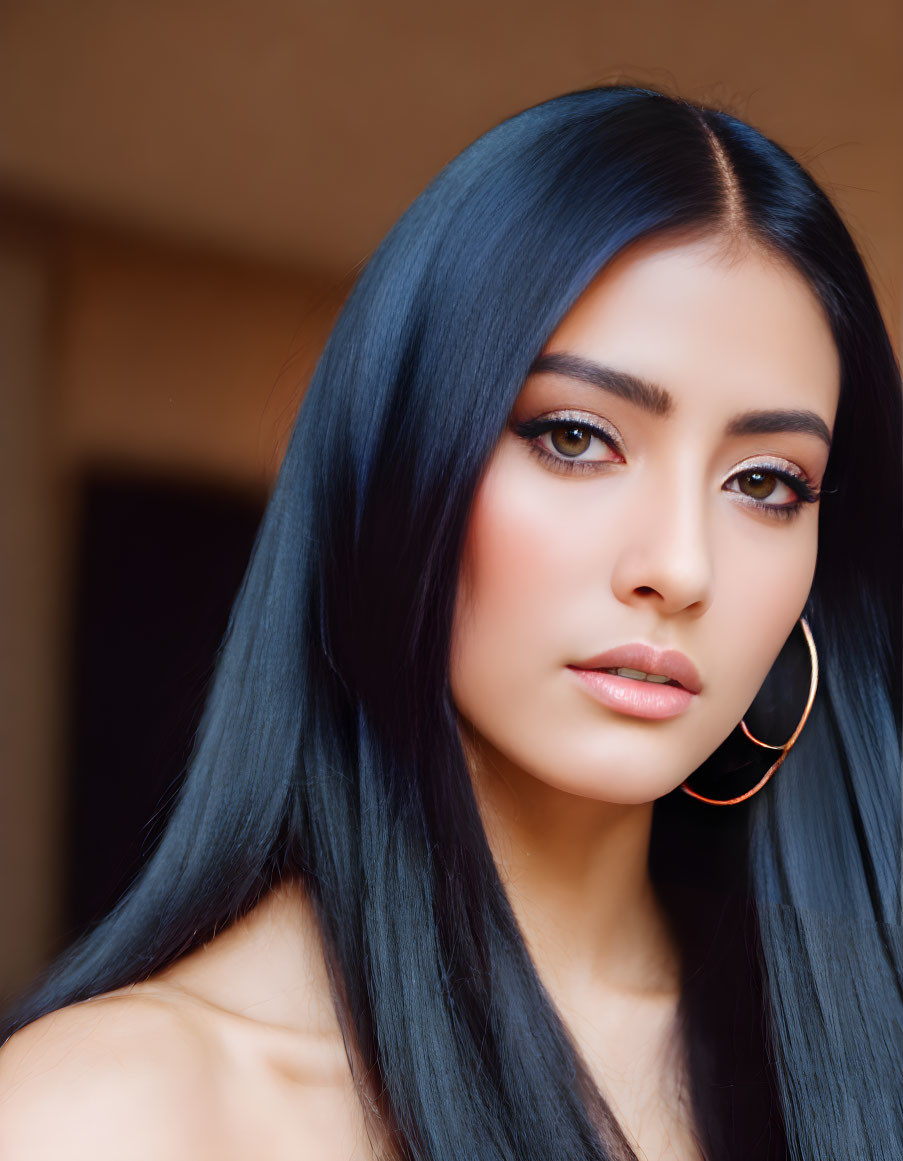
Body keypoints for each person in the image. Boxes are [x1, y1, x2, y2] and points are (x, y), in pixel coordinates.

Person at [0, 84, 900, 1161]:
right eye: (576, 438)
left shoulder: (859, 1055)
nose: (679, 565)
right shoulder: (117, 1116)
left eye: (766, 483)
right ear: (394, 476)